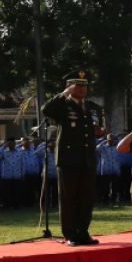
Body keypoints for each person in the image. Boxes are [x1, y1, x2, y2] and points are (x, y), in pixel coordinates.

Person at [42, 69, 104, 246]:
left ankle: (83, 232)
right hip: (68, 159)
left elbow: (99, 128)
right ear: (69, 87)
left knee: (87, 197)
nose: (82, 89)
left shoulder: (91, 107)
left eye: (85, 86)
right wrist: (63, 94)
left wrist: (100, 131)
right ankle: (70, 234)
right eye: (78, 85)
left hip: (87, 158)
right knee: (68, 198)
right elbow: (46, 110)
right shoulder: (63, 105)